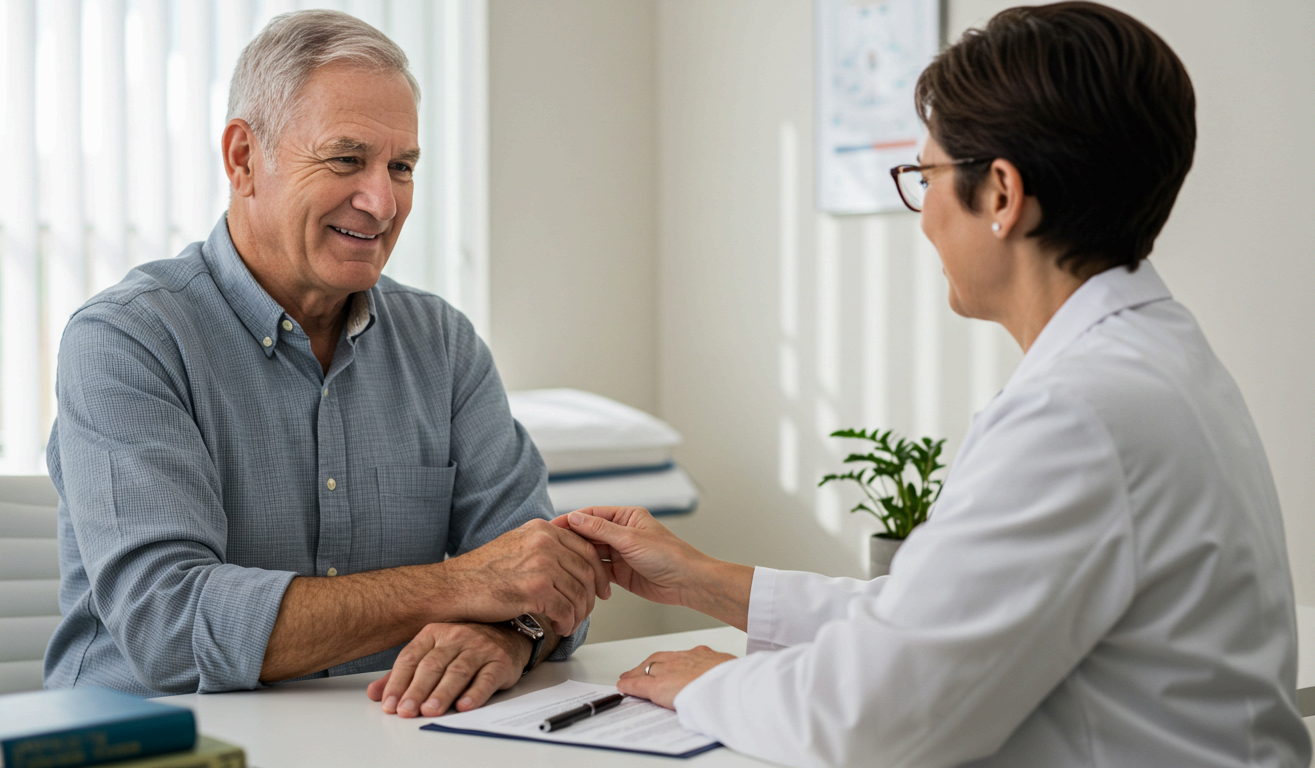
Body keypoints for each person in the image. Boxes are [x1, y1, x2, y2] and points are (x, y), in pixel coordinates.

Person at [555, 3, 1312, 766]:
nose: (922, 220)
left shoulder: (1076, 414)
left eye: (926, 176)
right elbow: (934, 616)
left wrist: (710, 685)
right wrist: (705, 580)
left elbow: (876, 717)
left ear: (1004, 195)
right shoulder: (1157, 360)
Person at [44, 10, 609, 716]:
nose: (382, 201)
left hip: (383, 740)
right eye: (347, 159)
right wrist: (463, 586)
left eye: (401, 167)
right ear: (243, 159)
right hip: (158, 743)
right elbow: (172, 628)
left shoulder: (443, 344)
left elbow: (546, 583)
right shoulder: (127, 341)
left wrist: (512, 635)